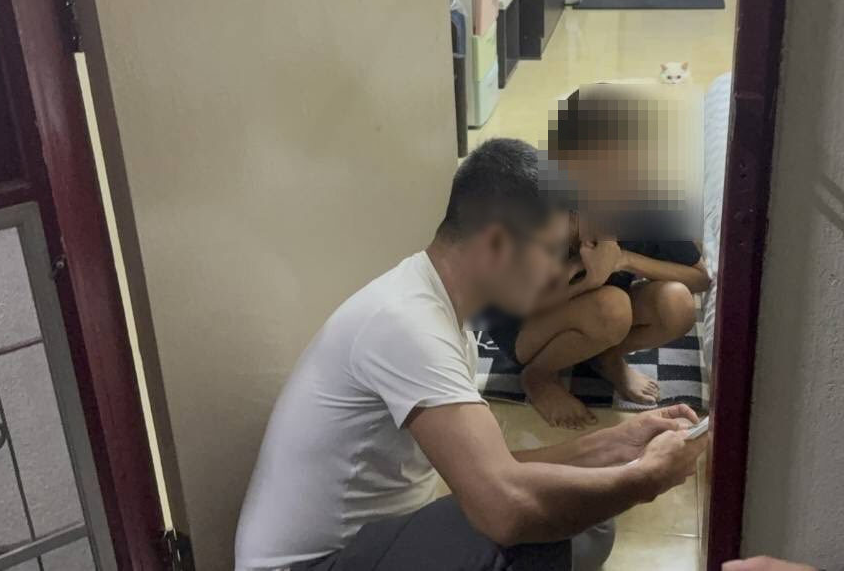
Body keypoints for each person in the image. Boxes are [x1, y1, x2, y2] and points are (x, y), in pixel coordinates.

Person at [234, 138, 708, 570]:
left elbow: (493, 468)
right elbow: (504, 508)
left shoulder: (440, 316)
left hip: (373, 541)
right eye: (551, 250)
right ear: (498, 244)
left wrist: (617, 448)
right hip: (316, 564)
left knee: (583, 517)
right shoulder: (406, 325)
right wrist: (647, 478)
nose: (558, 269)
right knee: (537, 533)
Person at [486, 87, 712, 429]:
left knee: (676, 303)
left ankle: (606, 357)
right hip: (525, 325)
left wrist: (623, 260)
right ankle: (539, 376)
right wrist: (587, 278)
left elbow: (700, 278)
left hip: (593, 307)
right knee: (612, 307)